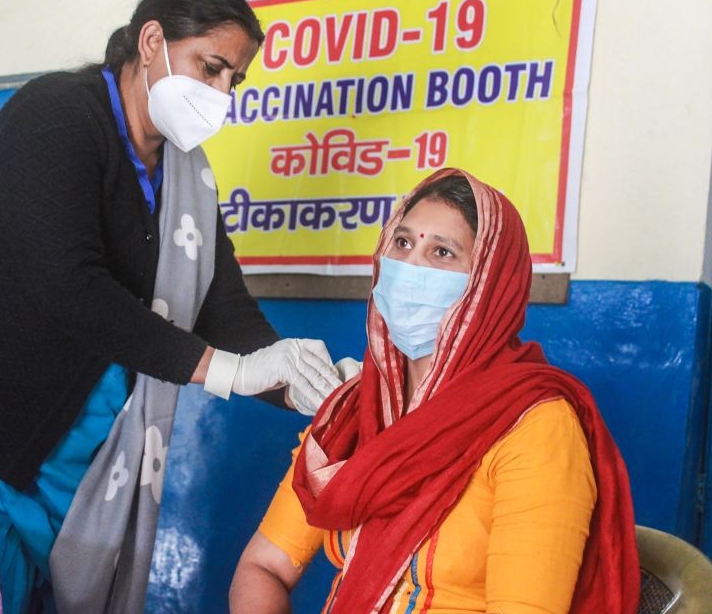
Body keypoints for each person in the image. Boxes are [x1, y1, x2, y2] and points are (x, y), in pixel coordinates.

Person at [0, 0, 342, 612]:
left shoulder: (187, 177)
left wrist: (318, 387)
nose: (223, 94)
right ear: (151, 42)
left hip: (67, 464)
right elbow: (66, 286)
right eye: (212, 67)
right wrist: (226, 371)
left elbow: (224, 310)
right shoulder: (56, 115)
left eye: (236, 80)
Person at [230, 169, 640, 614]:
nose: (411, 267)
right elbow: (263, 566)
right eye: (403, 243)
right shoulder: (355, 412)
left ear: (488, 285)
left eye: (442, 252)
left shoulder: (536, 428)